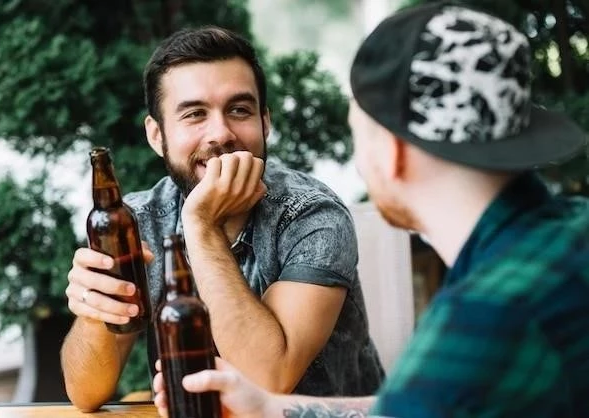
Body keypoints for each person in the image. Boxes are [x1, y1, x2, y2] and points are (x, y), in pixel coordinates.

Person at [154, 2, 589, 417]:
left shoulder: (480, 322)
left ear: (393, 152)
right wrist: (271, 408)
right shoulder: (568, 232)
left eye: (356, 134)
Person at [60, 26, 383, 411]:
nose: (222, 134)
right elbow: (85, 394)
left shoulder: (314, 216)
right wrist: (94, 312)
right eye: (195, 114)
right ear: (157, 135)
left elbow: (269, 377)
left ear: (265, 122)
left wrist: (201, 225)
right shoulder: (138, 220)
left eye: (239, 110)